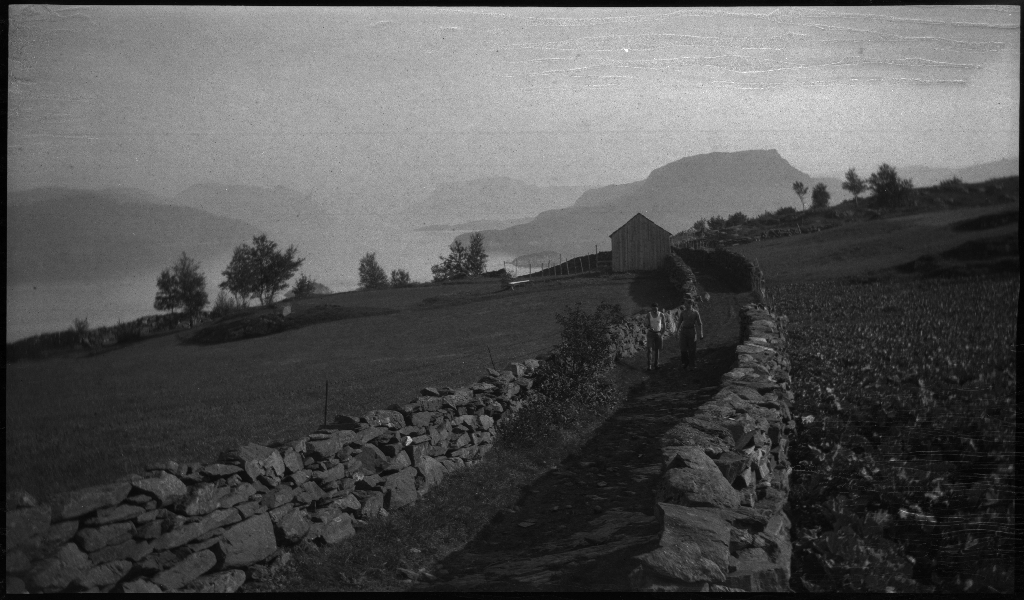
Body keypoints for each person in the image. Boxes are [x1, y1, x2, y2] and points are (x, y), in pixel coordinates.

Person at [678, 299, 704, 371]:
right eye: (685, 304)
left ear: (691, 304)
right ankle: (685, 362)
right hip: (683, 331)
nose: (686, 305)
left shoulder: (695, 313)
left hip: (691, 331)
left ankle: (692, 364)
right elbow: (679, 322)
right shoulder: (683, 313)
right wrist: (677, 331)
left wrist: (701, 333)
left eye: (687, 304)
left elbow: (700, 323)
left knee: (692, 349)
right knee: (683, 349)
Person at [645, 302, 665, 371]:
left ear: (657, 308)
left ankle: (656, 364)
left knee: (657, 350)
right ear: (651, 308)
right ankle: (649, 365)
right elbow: (645, 323)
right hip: (650, 334)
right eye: (653, 309)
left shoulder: (661, 315)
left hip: (658, 334)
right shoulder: (649, 314)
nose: (654, 310)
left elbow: (664, 325)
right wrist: (648, 326)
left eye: (655, 309)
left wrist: (661, 334)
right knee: (649, 350)